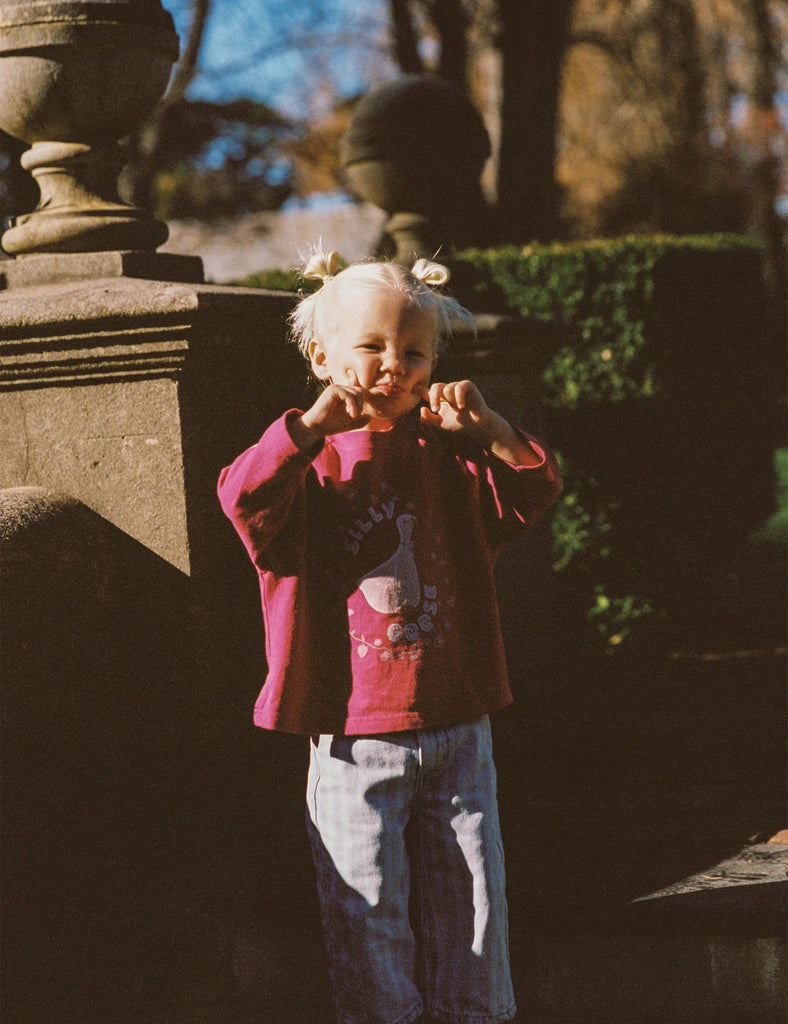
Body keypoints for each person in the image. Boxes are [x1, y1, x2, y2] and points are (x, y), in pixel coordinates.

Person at [217, 249, 561, 1024]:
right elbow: (240, 496)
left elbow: (534, 486)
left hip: (457, 722)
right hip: (348, 737)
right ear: (321, 356)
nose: (393, 366)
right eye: (371, 347)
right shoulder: (309, 467)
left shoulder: (451, 457)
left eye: (414, 351)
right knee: (365, 911)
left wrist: (492, 426)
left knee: (474, 906)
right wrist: (308, 428)